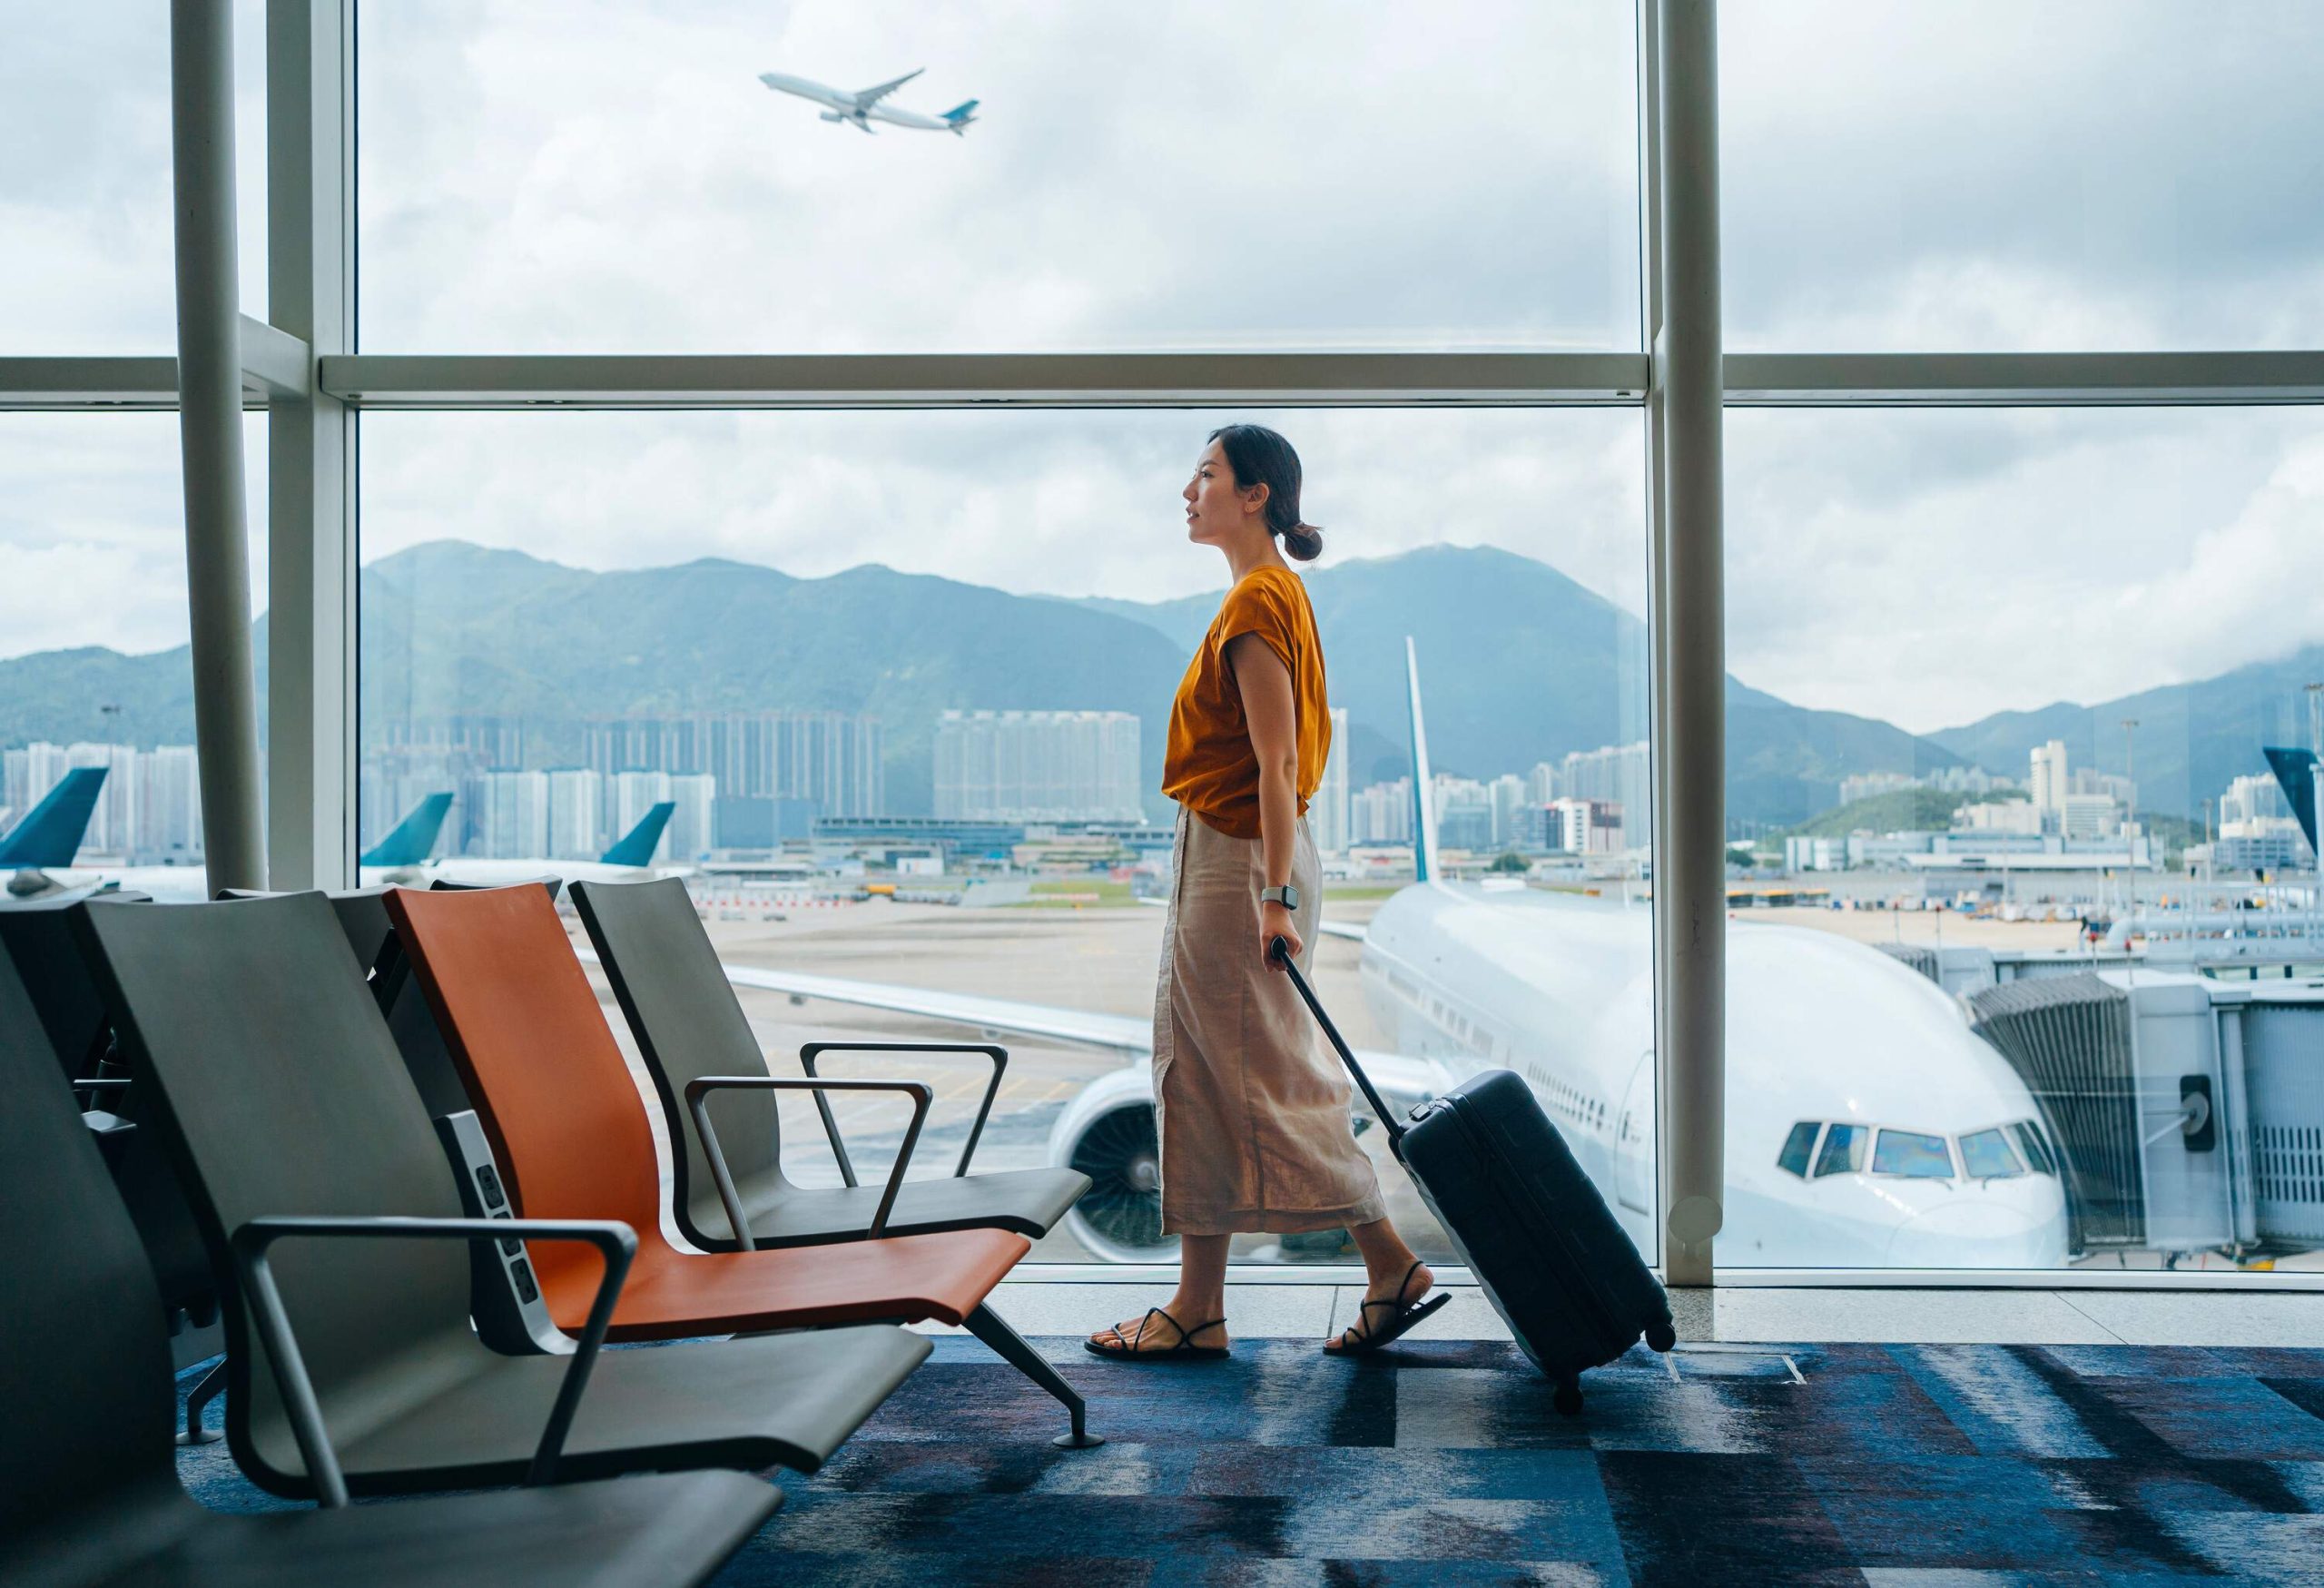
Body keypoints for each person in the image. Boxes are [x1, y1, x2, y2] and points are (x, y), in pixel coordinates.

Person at [1086, 424, 1445, 1363]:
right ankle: (1201, 1303)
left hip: (1244, 859)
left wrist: (1273, 895)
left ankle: (1384, 1264)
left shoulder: (1255, 603)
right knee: (1204, 1073)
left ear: (1254, 495)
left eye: (1205, 475)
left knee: (1259, 1074)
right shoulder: (1270, 595)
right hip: (1239, 855)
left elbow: (1277, 762)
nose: (1186, 491)